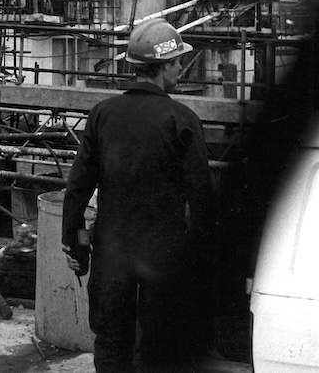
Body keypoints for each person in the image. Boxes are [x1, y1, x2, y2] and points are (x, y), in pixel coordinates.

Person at [62, 19, 215, 372]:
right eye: (177, 62)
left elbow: (79, 187)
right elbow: (202, 198)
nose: (180, 68)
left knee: (112, 344)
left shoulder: (102, 114)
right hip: (163, 256)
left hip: (111, 253)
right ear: (162, 67)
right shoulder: (183, 120)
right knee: (160, 346)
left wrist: (74, 242)